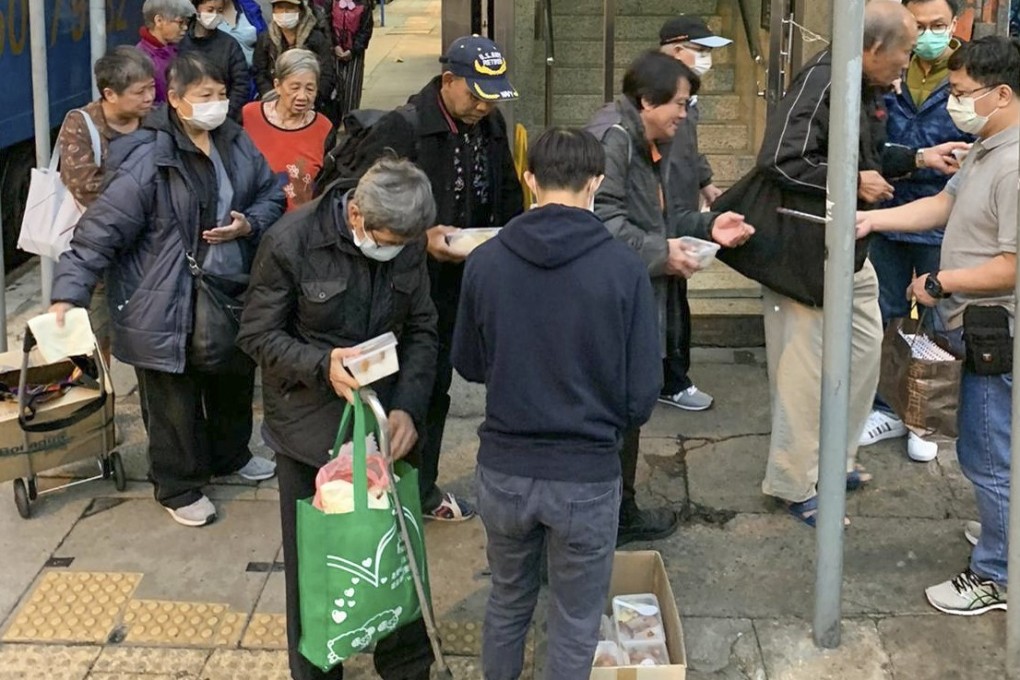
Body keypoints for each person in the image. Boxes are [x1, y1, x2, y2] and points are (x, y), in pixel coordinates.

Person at [452, 127, 662, 680]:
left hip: (503, 471)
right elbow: (641, 396)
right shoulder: (624, 269)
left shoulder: (485, 262)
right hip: (586, 476)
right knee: (574, 620)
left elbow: (469, 364)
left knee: (506, 602)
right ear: (596, 182)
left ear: (528, 180)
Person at [49, 52, 286, 528]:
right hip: (162, 296)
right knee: (173, 397)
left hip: (228, 288)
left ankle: (231, 456)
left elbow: (271, 193)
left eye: (221, 95)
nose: (216, 105)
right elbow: (101, 229)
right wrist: (68, 291)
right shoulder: (146, 156)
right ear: (176, 100)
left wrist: (249, 222)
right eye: (205, 97)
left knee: (232, 379)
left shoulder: (236, 142)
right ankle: (178, 485)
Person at [754, 1, 965, 526]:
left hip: (853, 248)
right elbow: (780, 158)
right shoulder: (823, 80)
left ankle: (836, 460)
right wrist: (849, 181)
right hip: (805, 254)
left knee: (864, 351)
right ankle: (796, 480)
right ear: (871, 47)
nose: (908, 61)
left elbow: (866, 155)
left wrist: (918, 157)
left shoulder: (865, 83)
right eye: (904, 51)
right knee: (804, 374)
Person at [237, 157, 438, 680]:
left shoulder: (407, 242)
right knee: (316, 567)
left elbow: (422, 329)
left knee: (397, 553)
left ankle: (407, 666)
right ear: (356, 216)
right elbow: (256, 335)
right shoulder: (290, 242)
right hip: (311, 431)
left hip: (383, 424)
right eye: (388, 238)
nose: (395, 249)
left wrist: (408, 408)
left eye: (405, 241)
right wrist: (321, 365)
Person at [858, 35, 1017, 615]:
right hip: (973, 324)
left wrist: (942, 282)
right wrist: (870, 221)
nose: (953, 102)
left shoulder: (1016, 164)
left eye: (960, 92)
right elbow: (943, 206)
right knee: (993, 448)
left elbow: (1012, 264)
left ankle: (997, 575)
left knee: (988, 453)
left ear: (1001, 93)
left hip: (993, 332)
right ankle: (1007, 540)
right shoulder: (987, 146)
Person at [348, 35, 525, 523]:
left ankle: (420, 487)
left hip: (460, 281)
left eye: (492, 98)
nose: (482, 107)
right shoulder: (402, 128)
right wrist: (421, 236)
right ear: (448, 81)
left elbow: (507, 191)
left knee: (434, 386)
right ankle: (376, 490)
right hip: (401, 282)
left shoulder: (490, 123)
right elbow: (356, 202)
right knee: (391, 387)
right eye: (475, 95)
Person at [587, 50, 753, 545]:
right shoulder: (612, 141)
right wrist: (663, 253)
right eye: (680, 103)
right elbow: (602, 224)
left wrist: (707, 227)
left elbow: (653, 221)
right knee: (615, 412)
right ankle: (607, 518)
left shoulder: (647, 142)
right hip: (612, 304)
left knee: (631, 409)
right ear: (646, 101)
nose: (685, 113)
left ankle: (620, 510)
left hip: (637, 296)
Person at [859, 0, 974, 463]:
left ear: (955, 25)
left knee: (939, 323)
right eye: (919, 26)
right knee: (883, 314)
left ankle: (924, 416)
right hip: (888, 211)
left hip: (946, 219)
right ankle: (883, 406)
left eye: (938, 26)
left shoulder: (972, 75)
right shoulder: (886, 68)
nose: (927, 35)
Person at [57, 46, 156, 364]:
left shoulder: (155, 121)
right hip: (100, 248)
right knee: (95, 343)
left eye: (151, 88)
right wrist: (141, 197)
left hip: (147, 255)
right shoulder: (81, 124)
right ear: (110, 94)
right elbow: (85, 187)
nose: (149, 97)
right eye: (140, 91)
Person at [656, 15, 733, 412]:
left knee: (677, 295)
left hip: (682, 206)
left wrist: (704, 181)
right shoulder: (657, 97)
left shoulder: (687, 98)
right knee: (667, 300)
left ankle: (670, 375)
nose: (706, 60)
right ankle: (670, 380)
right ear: (674, 50)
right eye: (700, 51)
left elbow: (690, 149)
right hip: (662, 213)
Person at [243, 48, 333, 210]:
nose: (302, 96)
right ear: (277, 85)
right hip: (251, 221)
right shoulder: (249, 115)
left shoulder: (324, 128)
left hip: (298, 226)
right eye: (294, 87)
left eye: (310, 89)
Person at [253, 0, 337, 122]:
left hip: (312, 105)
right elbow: (259, 72)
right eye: (280, 8)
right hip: (274, 102)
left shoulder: (316, 39)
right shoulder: (266, 39)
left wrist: (311, 98)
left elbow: (327, 74)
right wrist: (275, 97)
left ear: (300, 11)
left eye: (290, 8)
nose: (284, 13)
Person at [180, 0, 251, 121]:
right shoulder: (180, 41)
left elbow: (241, 84)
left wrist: (226, 114)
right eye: (210, 10)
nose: (215, 15)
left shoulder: (229, 44)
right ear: (197, 9)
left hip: (223, 115)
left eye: (219, 11)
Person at [323, 0, 373, 120]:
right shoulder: (331, 3)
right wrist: (335, 46)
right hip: (335, 52)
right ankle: (336, 119)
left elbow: (365, 31)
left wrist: (353, 50)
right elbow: (327, 26)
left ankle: (350, 120)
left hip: (354, 54)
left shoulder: (364, 5)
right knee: (335, 87)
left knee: (352, 88)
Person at [137, 0, 195, 104]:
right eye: (180, 22)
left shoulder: (178, 49)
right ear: (159, 21)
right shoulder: (141, 59)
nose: (185, 27)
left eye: (187, 22)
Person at [219, 0, 267, 66]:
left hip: (254, 71)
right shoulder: (205, 15)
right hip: (220, 72)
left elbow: (265, 41)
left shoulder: (249, 7)